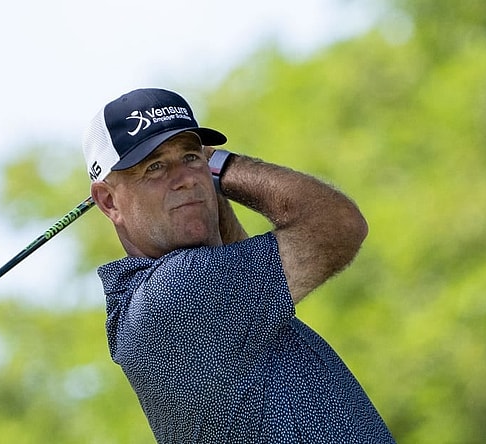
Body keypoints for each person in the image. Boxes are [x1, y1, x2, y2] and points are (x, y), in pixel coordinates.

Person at [81, 88, 395, 443]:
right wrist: (219, 166)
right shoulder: (177, 293)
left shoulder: (213, 295)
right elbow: (337, 225)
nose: (185, 178)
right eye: (154, 167)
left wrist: (202, 186)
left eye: (190, 157)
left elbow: (229, 251)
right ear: (108, 201)